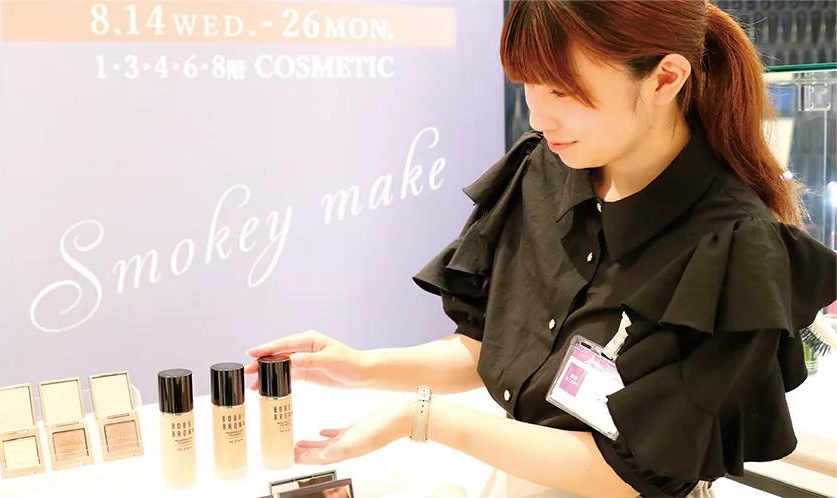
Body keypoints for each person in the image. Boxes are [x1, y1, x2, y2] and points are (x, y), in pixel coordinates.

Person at [245, 1, 837, 497]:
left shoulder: (732, 249)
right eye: (527, 83)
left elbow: (630, 471)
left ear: (664, 79)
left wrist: (422, 418)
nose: (540, 114)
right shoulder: (544, 170)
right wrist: (359, 367)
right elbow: (491, 348)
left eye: (564, 90)